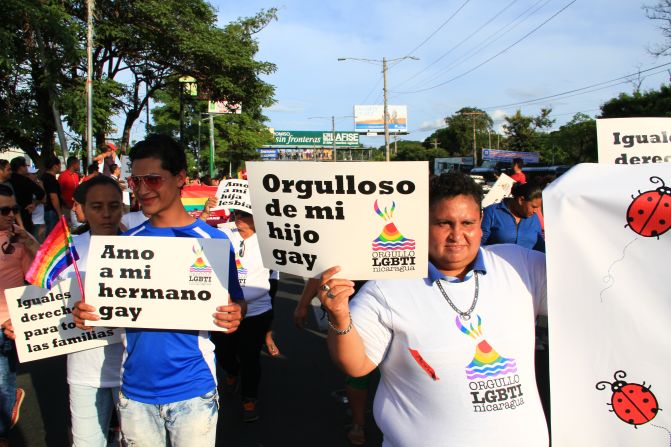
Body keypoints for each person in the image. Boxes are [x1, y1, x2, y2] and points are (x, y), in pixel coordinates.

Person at [319, 172, 548, 446]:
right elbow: (356, 365)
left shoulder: (520, 264)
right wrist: (339, 316)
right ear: (422, 225)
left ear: (480, 223)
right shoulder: (386, 287)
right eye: (443, 223)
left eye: (467, 223)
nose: (457, 235)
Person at [73, 134, 244, 447]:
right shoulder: (122, 245)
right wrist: (85, 313)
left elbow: (237, 304)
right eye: (135, 180)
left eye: (152, 179)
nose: (142, 189)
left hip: (193, 390)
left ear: (180, 179)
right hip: (135, 393)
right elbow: (104, 311)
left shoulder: (214, 242)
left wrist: (235, 315)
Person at [212, 209, 278, 422]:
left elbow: (274, 280)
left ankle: (249, 399)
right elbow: (197, 236)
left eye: (245, 215)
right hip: (226, 310)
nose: (238, 219)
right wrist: (204, 214)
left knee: (250, 356)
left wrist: (269, 322)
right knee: (224, 352)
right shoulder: (225, 233)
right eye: (236, 215)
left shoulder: (270, 239)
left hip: (257, 312)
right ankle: (231, 371)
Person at [0, 184, 39, 447]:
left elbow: (39, 277)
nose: (11, 214)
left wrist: (31, 242)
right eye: (5, 210)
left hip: (8, 325)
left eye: (14, 208)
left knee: (3, 380)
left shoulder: (19, 242)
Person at [481, 181, 545, 252]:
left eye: (538, 207)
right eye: (533, 207)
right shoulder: (492, 212)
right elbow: (480, 243)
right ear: (521, 200)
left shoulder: (534, 217)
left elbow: (540, 246)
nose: (536, 211)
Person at [8, 157, 45, 235]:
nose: (27, 168)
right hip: (24, 214)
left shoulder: (7, 181)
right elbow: (41, 193)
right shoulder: (24, 180)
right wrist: (34, 203)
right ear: (21, 168)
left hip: (8, 216)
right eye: (25, 166)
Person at [41, 156, 64, 235]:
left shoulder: (44, 177)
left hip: (47, 210)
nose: (60, 167)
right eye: (59, 165)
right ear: (55, 166)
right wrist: (59, 213)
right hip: (52, 210)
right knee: (52, 235)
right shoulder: (50, 179)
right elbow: (53, 197)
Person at [58, 156, 81, 228]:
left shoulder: (76, 175)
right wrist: (65, 203)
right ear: (73, 164)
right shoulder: (63, 176)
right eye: (78, 164)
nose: (79, 166)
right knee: (66, 227)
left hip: (75, 207)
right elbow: (59, 192)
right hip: (66, 207)